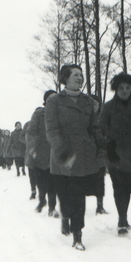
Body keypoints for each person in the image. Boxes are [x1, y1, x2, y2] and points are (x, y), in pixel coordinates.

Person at [45, 64, 105, 251]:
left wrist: (102, 145)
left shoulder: (88, 102)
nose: (80, 78)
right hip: (62, 154)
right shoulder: (54, 101)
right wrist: (62, 152)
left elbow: (94, 128)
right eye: (75, 75)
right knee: (64, 195)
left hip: (83, 155)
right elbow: (52, 130)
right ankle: (65, 217)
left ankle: (77, 235)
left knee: (78, 196)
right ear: (66, 78)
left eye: (81, 75)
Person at [99, 73, 131, 235]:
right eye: (121, 88)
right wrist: (108, 146)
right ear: (115, 89)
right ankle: (122, 219)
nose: (124, 91)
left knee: (130, 187)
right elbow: (100, 129)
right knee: (119, 186)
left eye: (127, 87)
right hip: (115, 154)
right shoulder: (108, 107)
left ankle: (124, 216)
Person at [27, 90, 59, 217]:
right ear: (46, 101)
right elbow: (30, 132)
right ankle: (42, 200)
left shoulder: (60, 114)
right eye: (50, 99)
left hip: (54, 152)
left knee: (53, 182)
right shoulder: (39, 114)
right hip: (40, 152)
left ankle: (52, 208)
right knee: (41, 181)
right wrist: (31, 148)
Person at [87, 94, 108, 215]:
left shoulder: (102, 118)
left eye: (96, 104)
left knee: (100, 180)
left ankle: (99, 206)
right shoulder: (83, 118)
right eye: (92, 103)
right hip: (86, 154)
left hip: (100, 153)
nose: (94, 106)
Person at [23, 121, 37, 200]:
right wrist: (29, 142)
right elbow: (22, 136)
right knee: (32, 174)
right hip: (31, 153)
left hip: (43, 153)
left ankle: (42, 193)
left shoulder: (46, 122)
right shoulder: (28, 124)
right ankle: (33, 191)